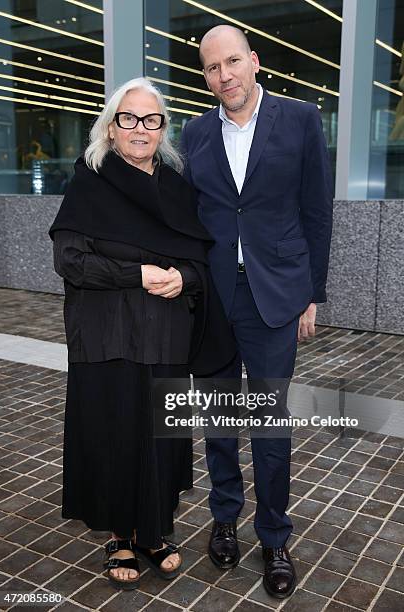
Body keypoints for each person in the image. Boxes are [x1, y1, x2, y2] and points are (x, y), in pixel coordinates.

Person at [49, 77, 235, 591]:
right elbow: (69, 260)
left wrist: (184, 277)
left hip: (166, 337)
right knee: (114, 433)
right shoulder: (90, 181)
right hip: (107, 335)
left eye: (151, 120)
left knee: (160, 435)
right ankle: (120, 537)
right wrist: (139, 275)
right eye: (128, 118)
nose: (139, 129)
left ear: (162, 130)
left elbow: (200, 261)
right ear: (111, 127)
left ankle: (153, 533)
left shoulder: (176, 188)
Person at [181, 25, 333, 599]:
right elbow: (185, 217)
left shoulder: (299, 119)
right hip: (215, 301)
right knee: (219, 418)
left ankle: (274, 535)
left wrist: (311, 294)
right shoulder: (194, 133)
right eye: (213, 68)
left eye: (233, 62)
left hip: (277, 295)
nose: (225, 76)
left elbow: (316, 212)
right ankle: (224, 518)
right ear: (206, 76)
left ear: (255, 62)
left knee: (270, 426)